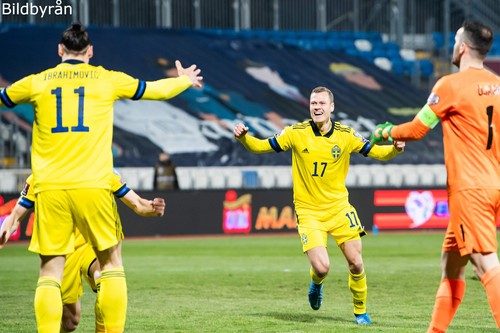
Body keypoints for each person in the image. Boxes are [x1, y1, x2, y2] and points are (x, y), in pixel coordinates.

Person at [0, 22, 202, 333]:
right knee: (111, 263)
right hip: (95, 182)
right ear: (90, 51)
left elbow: (3, 98)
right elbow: (153, 90)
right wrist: (184, 81)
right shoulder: (106, 79)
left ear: (59, 51)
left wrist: (14, 216)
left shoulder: (37, 82)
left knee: (50, 271)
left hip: (50, 186)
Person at [233, 86, 405, 325]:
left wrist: (394, 150)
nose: (317, 107)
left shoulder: (346, 135)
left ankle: (360, 312)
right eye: (314, 103)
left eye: (322, 103)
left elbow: (376, 152)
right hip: (309, 211)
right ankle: (316, 284)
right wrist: (243, 139)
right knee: (322, 267)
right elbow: (261, 147)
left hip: (339, 208)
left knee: (356, 262)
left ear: (331, 107)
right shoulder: (295, 133)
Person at [371, 20, 499, 332]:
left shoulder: (449, 86)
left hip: (469, 189)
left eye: (456, 40)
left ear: (463, 47)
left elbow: (416, 128)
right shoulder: (497, 85)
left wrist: (386, 131)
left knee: (485, 262)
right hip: (492, 184)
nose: (453, 45)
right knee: (451, 266)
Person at [0, 171, 166, 332]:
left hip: (92, 245)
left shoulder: (102, 169)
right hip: (64, 252)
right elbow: (16, 213)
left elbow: (137, 203)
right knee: (71, 321)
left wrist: (151, 207)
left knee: (104, 274)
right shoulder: (41, 176)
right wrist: (5, 230)